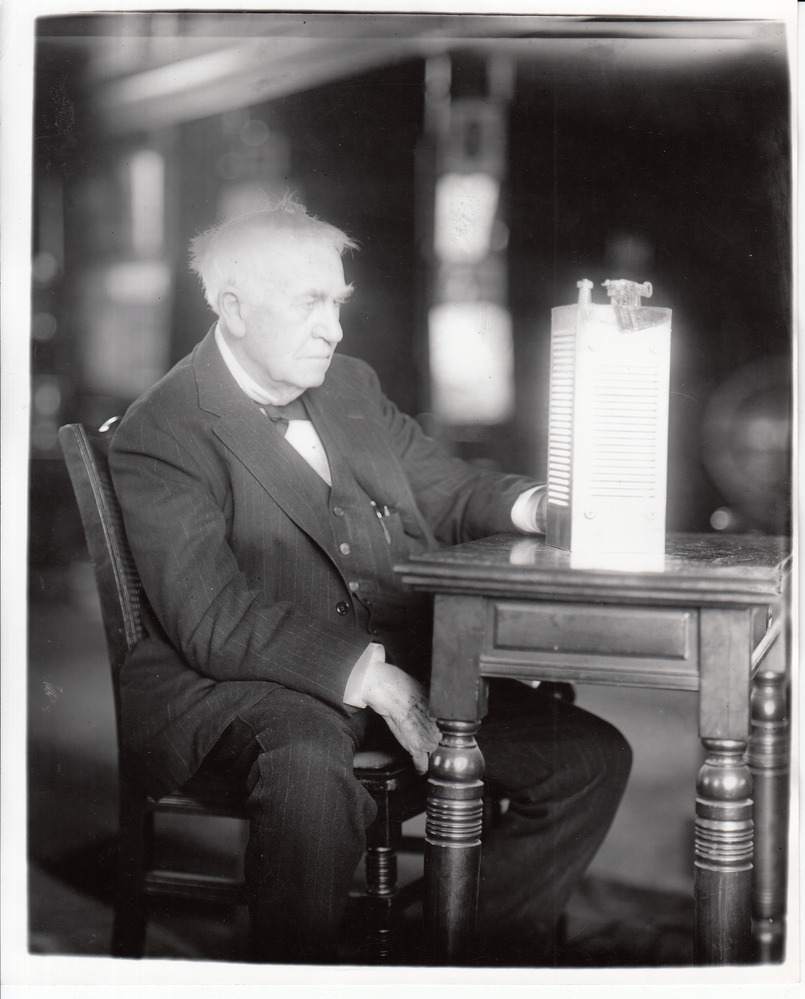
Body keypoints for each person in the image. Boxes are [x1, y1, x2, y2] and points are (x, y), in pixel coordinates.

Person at [109, 196, 631, 966]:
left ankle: (457, 967)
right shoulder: (164, 428)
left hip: (399, 666)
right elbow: (212, 618)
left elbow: (448, 490)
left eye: (339, 302)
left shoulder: (348, 384)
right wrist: (376, 680)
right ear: (234, 307)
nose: (335, 328)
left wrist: (541, 506)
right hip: (246, 689)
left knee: (588, 760)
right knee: (308, 768)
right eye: (310, 303)